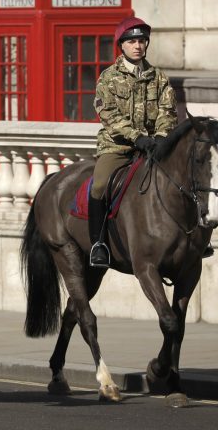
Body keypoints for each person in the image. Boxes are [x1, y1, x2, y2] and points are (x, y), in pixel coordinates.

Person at [89, 16, 178, 268]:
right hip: (118, 146)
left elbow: (168, 111)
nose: (138, 46)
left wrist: (160, 137)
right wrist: (136, 137)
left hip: (154, 144)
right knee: (100, 185)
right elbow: (107, 114)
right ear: (122, 45)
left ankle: (194, 238)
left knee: (184, 177)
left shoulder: (158, 77)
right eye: (132, 42)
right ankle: (98, 244)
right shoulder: (108, 78)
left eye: (141, 41)